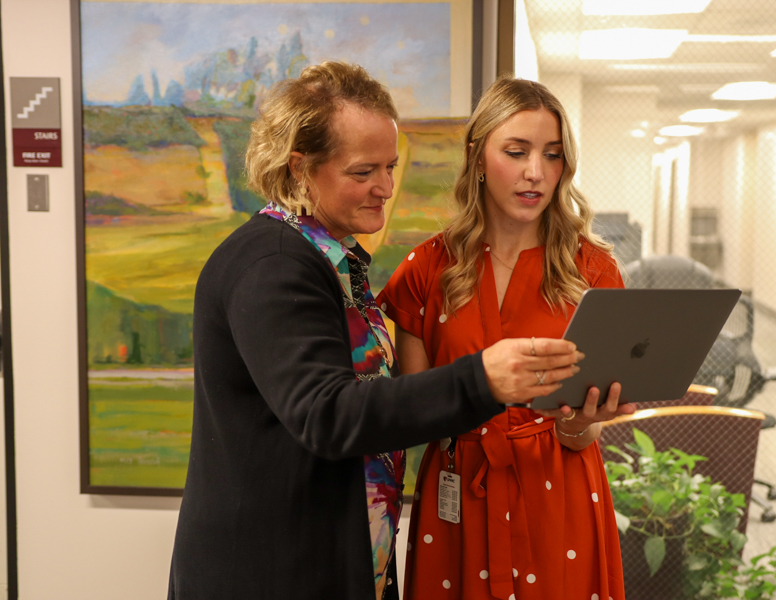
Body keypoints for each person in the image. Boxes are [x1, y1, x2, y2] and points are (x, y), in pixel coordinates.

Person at [167, 63, 585, 600]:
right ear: (299, 168)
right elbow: (328, 414)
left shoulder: (325, 259)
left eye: (389, 167)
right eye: (363, 172)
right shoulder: (272, 267)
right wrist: (482, 379)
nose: (385, 188)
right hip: (274, 571)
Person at [377, 77, 635, 600]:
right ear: (476, 157)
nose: (535, 173)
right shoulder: (426, 270)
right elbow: (411, 412)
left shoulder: (593, 271)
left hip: (558, 496)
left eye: (553, 155)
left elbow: (583, 434)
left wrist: (582, 426)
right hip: (458, 502)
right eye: (516, 152)